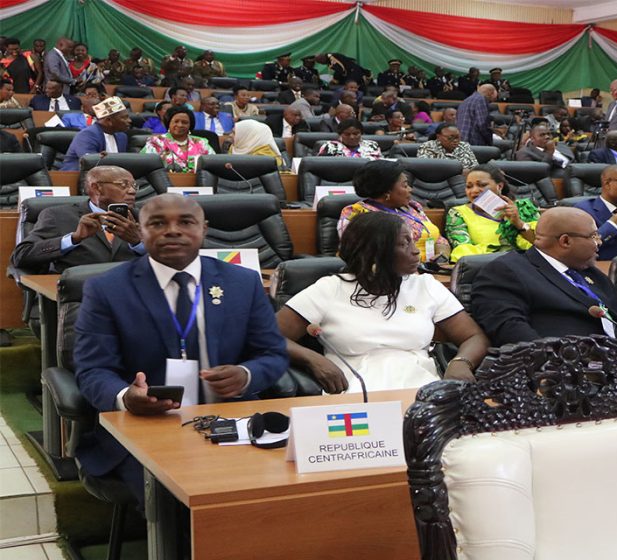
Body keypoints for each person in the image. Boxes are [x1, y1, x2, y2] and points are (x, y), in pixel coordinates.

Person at [74, 193, 289, 507]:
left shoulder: (242, 282)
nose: (172, 231)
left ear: (204, 228)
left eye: (185, 222)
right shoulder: (107, 289)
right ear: (140, 230)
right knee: (182, 502)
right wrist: (126, 397)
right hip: (147, 428)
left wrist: (245, 375)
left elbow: (272, 354)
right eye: (158, 223)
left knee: (281, 494)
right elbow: (93, 370)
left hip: (232, 422)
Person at [277, 212, 487, 393]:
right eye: (405, 243)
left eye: (413, 241)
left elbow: (474, 336)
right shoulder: (330, 288)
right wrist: (312, 359)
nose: (416, 251)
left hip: (422, 390)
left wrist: (461, 362)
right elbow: (269, 335)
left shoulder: (425, 285)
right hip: (353, 391)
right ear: (374, 253)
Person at [470, 207, 617, 361]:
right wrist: (562, 368)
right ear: (565, 241)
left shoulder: (589, 271)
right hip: (567, 375)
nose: (599, 242)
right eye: (594, 236)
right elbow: (512, 332)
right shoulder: (507, 271)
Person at [11, 165, 146, 273]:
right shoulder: (58, 215)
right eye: (123, 185)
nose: (132, 191)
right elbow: (21, 256)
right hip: (78, 297)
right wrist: (73, 239)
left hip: (132, 294)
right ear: (96, 188)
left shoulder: (144, 217)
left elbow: (165, 261)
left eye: (134, 185)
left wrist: (137, 243)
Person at [338, 160, 449, 264]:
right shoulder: (357, 212)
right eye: (405, 185)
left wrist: (442, 256)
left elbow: (439, 238)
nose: (411, 189)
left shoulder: (413, 207)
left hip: (432, 271)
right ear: (387, 191)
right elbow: (357, 254)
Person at [446, 164, 539, 262]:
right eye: (469, 186)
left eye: (482, 185)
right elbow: (464, 254)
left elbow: (542, 245)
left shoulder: (524, 208)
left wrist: (519, 223)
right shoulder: (458, 214)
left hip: (529, 265)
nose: (474, 190)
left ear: (499, 186)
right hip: (487, 268)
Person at [61, 97, 130, 171]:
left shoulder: (122, 137)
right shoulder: (87, 135)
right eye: (124, 118)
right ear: (109, 120)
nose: (129, 120)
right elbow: (91, 164)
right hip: (75, 178)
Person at [141, 105, 216, 173]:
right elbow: (144, 166)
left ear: (190, 125)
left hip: (199, 184)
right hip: (165, 184)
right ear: (168, 123)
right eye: (176, 121)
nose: (180, 125)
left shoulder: (201, 142)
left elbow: (213, 164)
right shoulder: (156, 142)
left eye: (184, 122)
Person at [317, 118, 383, 159]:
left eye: (356, 134)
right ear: (340, 135)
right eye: (347, 134)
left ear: (361, 133)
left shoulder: (372, 145)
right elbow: (322, 166)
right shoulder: (330, 146)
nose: (352, 137)